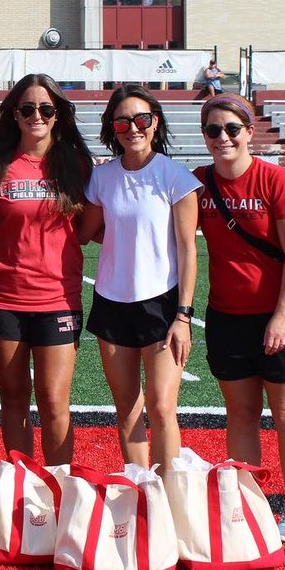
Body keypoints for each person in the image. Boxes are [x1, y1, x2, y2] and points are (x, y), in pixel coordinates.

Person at [194, 92, 285, 544]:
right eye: (213, 130)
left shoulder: (275, 180)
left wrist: (282, 316)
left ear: (250, 132)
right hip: (227, 315)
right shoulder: (199, 183)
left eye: (232, 128)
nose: (223, 137)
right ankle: (249, 502)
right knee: (241, 414)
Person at [77, 85, 200, 473]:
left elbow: (188, 250)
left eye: (141, 119)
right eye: (122, 121)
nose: (133, 128)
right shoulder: (102, 177)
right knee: (127, 408)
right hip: (111, 301)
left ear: (155, 123)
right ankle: (140, 488)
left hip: (162, 303)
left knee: (162, 407)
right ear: (112, 128)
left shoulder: (176, 177)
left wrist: (183, 316)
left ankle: (169, 491)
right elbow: (86, 232)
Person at [0, 74, 93, 466]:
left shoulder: (77, 165)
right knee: (13, 398)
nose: (36, 116)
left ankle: (59, 483)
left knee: (54, 401)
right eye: (27, 108)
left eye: (45, 108)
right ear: (14, 113)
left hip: (58, 297)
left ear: (59, 114)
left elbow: (89, 231)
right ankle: (20, 482)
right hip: (3, 296)